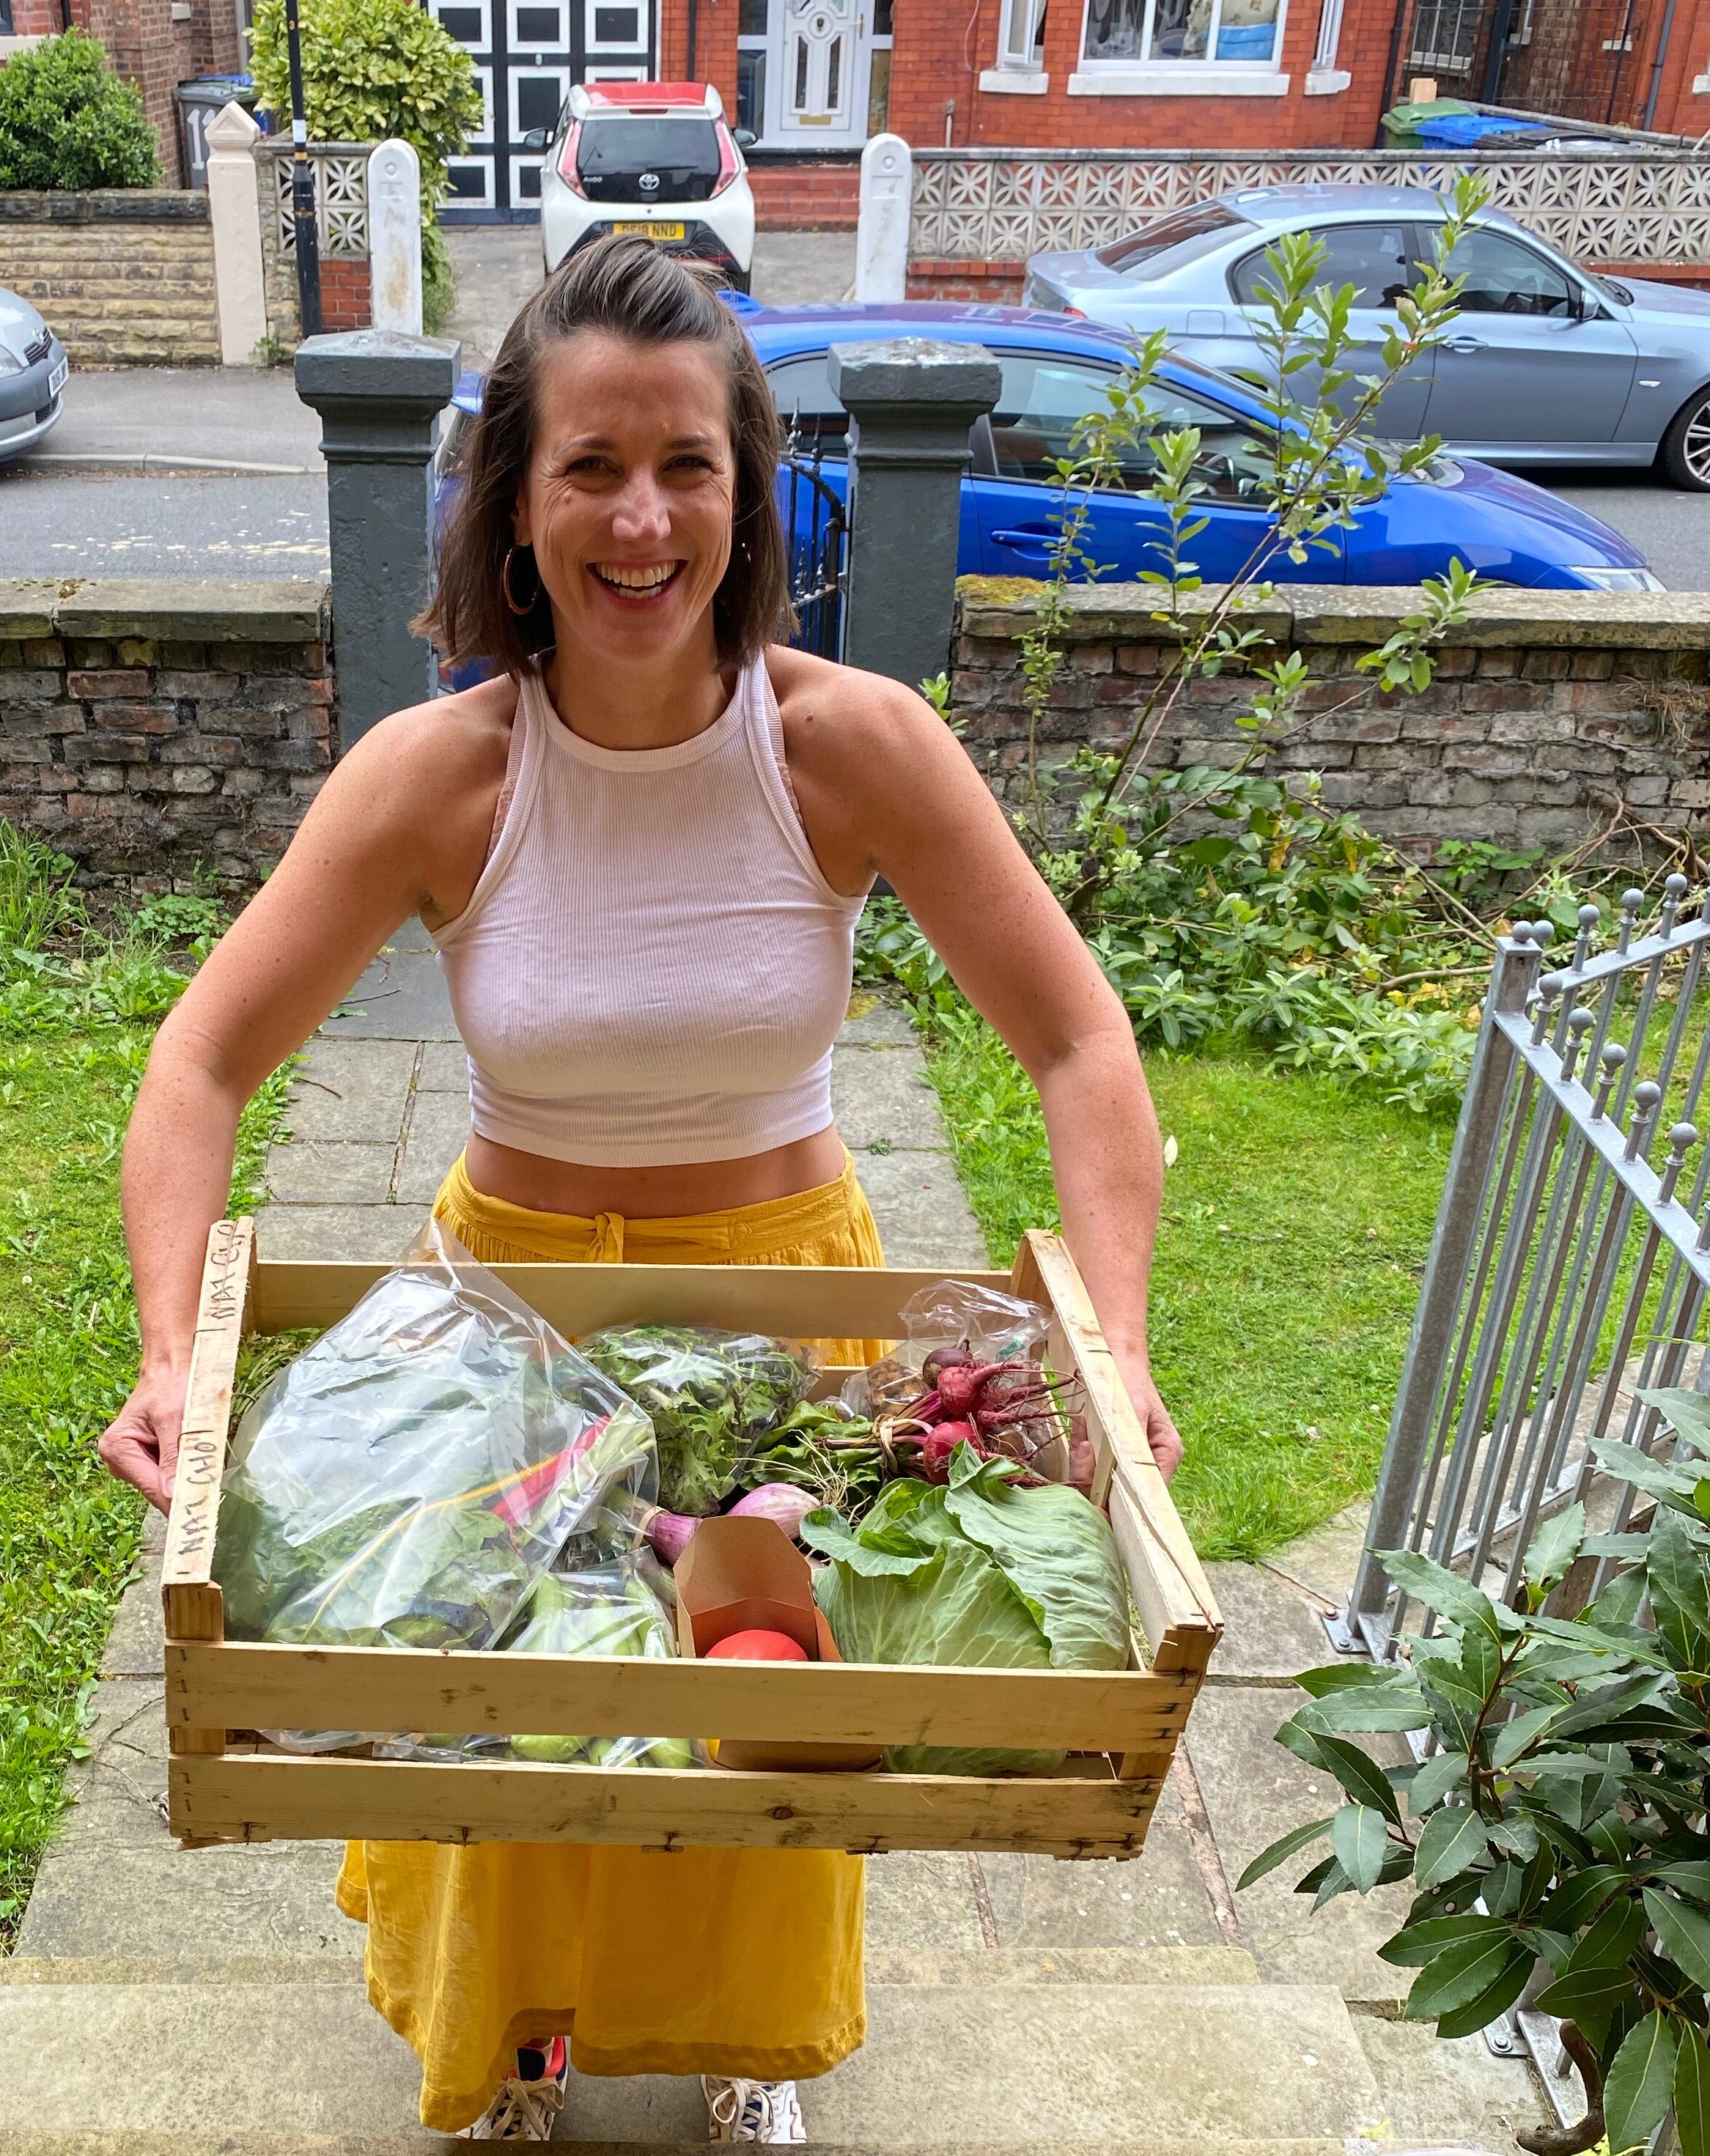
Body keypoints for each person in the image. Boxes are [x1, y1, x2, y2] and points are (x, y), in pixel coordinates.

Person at [100, 235, 1181, 2144]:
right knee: (512, 1732)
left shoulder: (854, 749)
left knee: (756, 1702)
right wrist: (173, 1352)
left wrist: (1116, 1342)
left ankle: (745, 2051)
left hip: (787, 1302)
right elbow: (198, 1064)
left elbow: (1086, 1052)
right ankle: (518, 2043)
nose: (641, 515)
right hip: (506, 1318)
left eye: (687, 463)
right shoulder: (437, 774)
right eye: (591, 463)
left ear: (748, 496)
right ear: (517, 503)